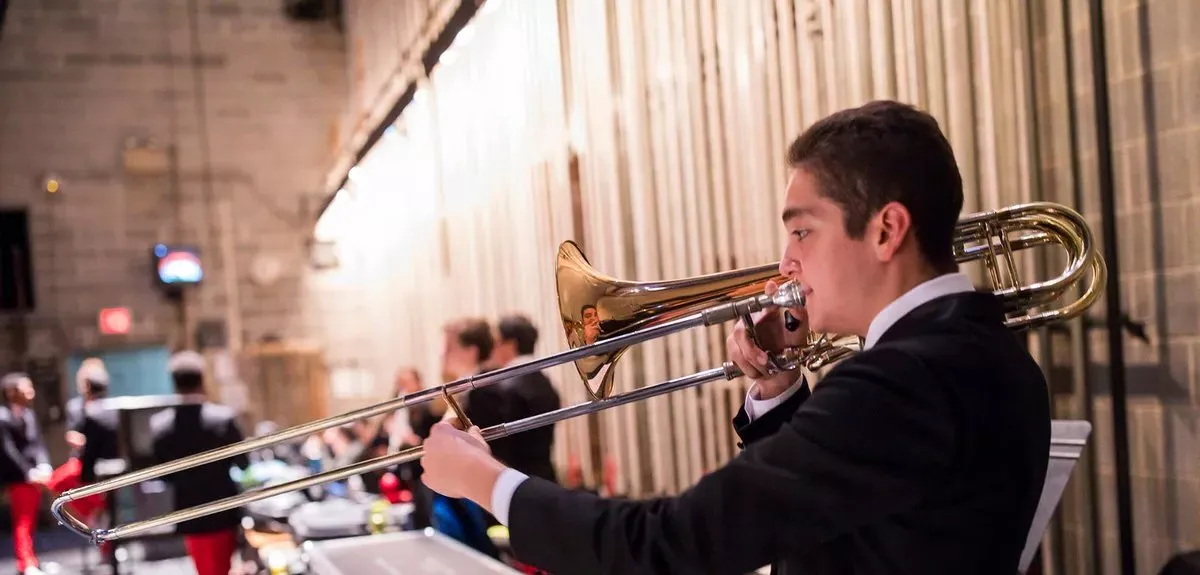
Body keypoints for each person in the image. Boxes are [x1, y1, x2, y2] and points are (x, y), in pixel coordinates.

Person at [419, 100, 1052, 574]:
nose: (785, 264)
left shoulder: (904, 379)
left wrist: (486, 481)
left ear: (886, 231)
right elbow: (831, 520)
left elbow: (674, 543)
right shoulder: (984, 352)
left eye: (802, 232)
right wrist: (777, 394)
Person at [149, 351, 249, 575]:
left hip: (189, 513)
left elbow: (162, 475)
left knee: (203, 569)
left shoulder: (160, 425)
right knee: (223, 568)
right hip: (224, 511)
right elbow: (243, 463)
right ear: (202, 380)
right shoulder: (224, 418)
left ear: (174, 383)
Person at [485, 314, 561, 483]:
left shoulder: (503, 388)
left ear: (510, 344)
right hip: (546, 478)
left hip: (516, 482)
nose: (492, 349)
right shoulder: (545, 382)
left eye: (496, 342)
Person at [0, 372, 50, 575]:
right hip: (19, 479)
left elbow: (38, 444)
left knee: (31, 520)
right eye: (25, 388)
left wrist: (44, 465)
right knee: (23, 521)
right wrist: (28, 472)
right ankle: (25, 562)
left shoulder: (30, 415)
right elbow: (7, 451)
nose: (31, 393)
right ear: (12, 392)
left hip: (35, 477)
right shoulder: (3, 418)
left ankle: (32, 559)